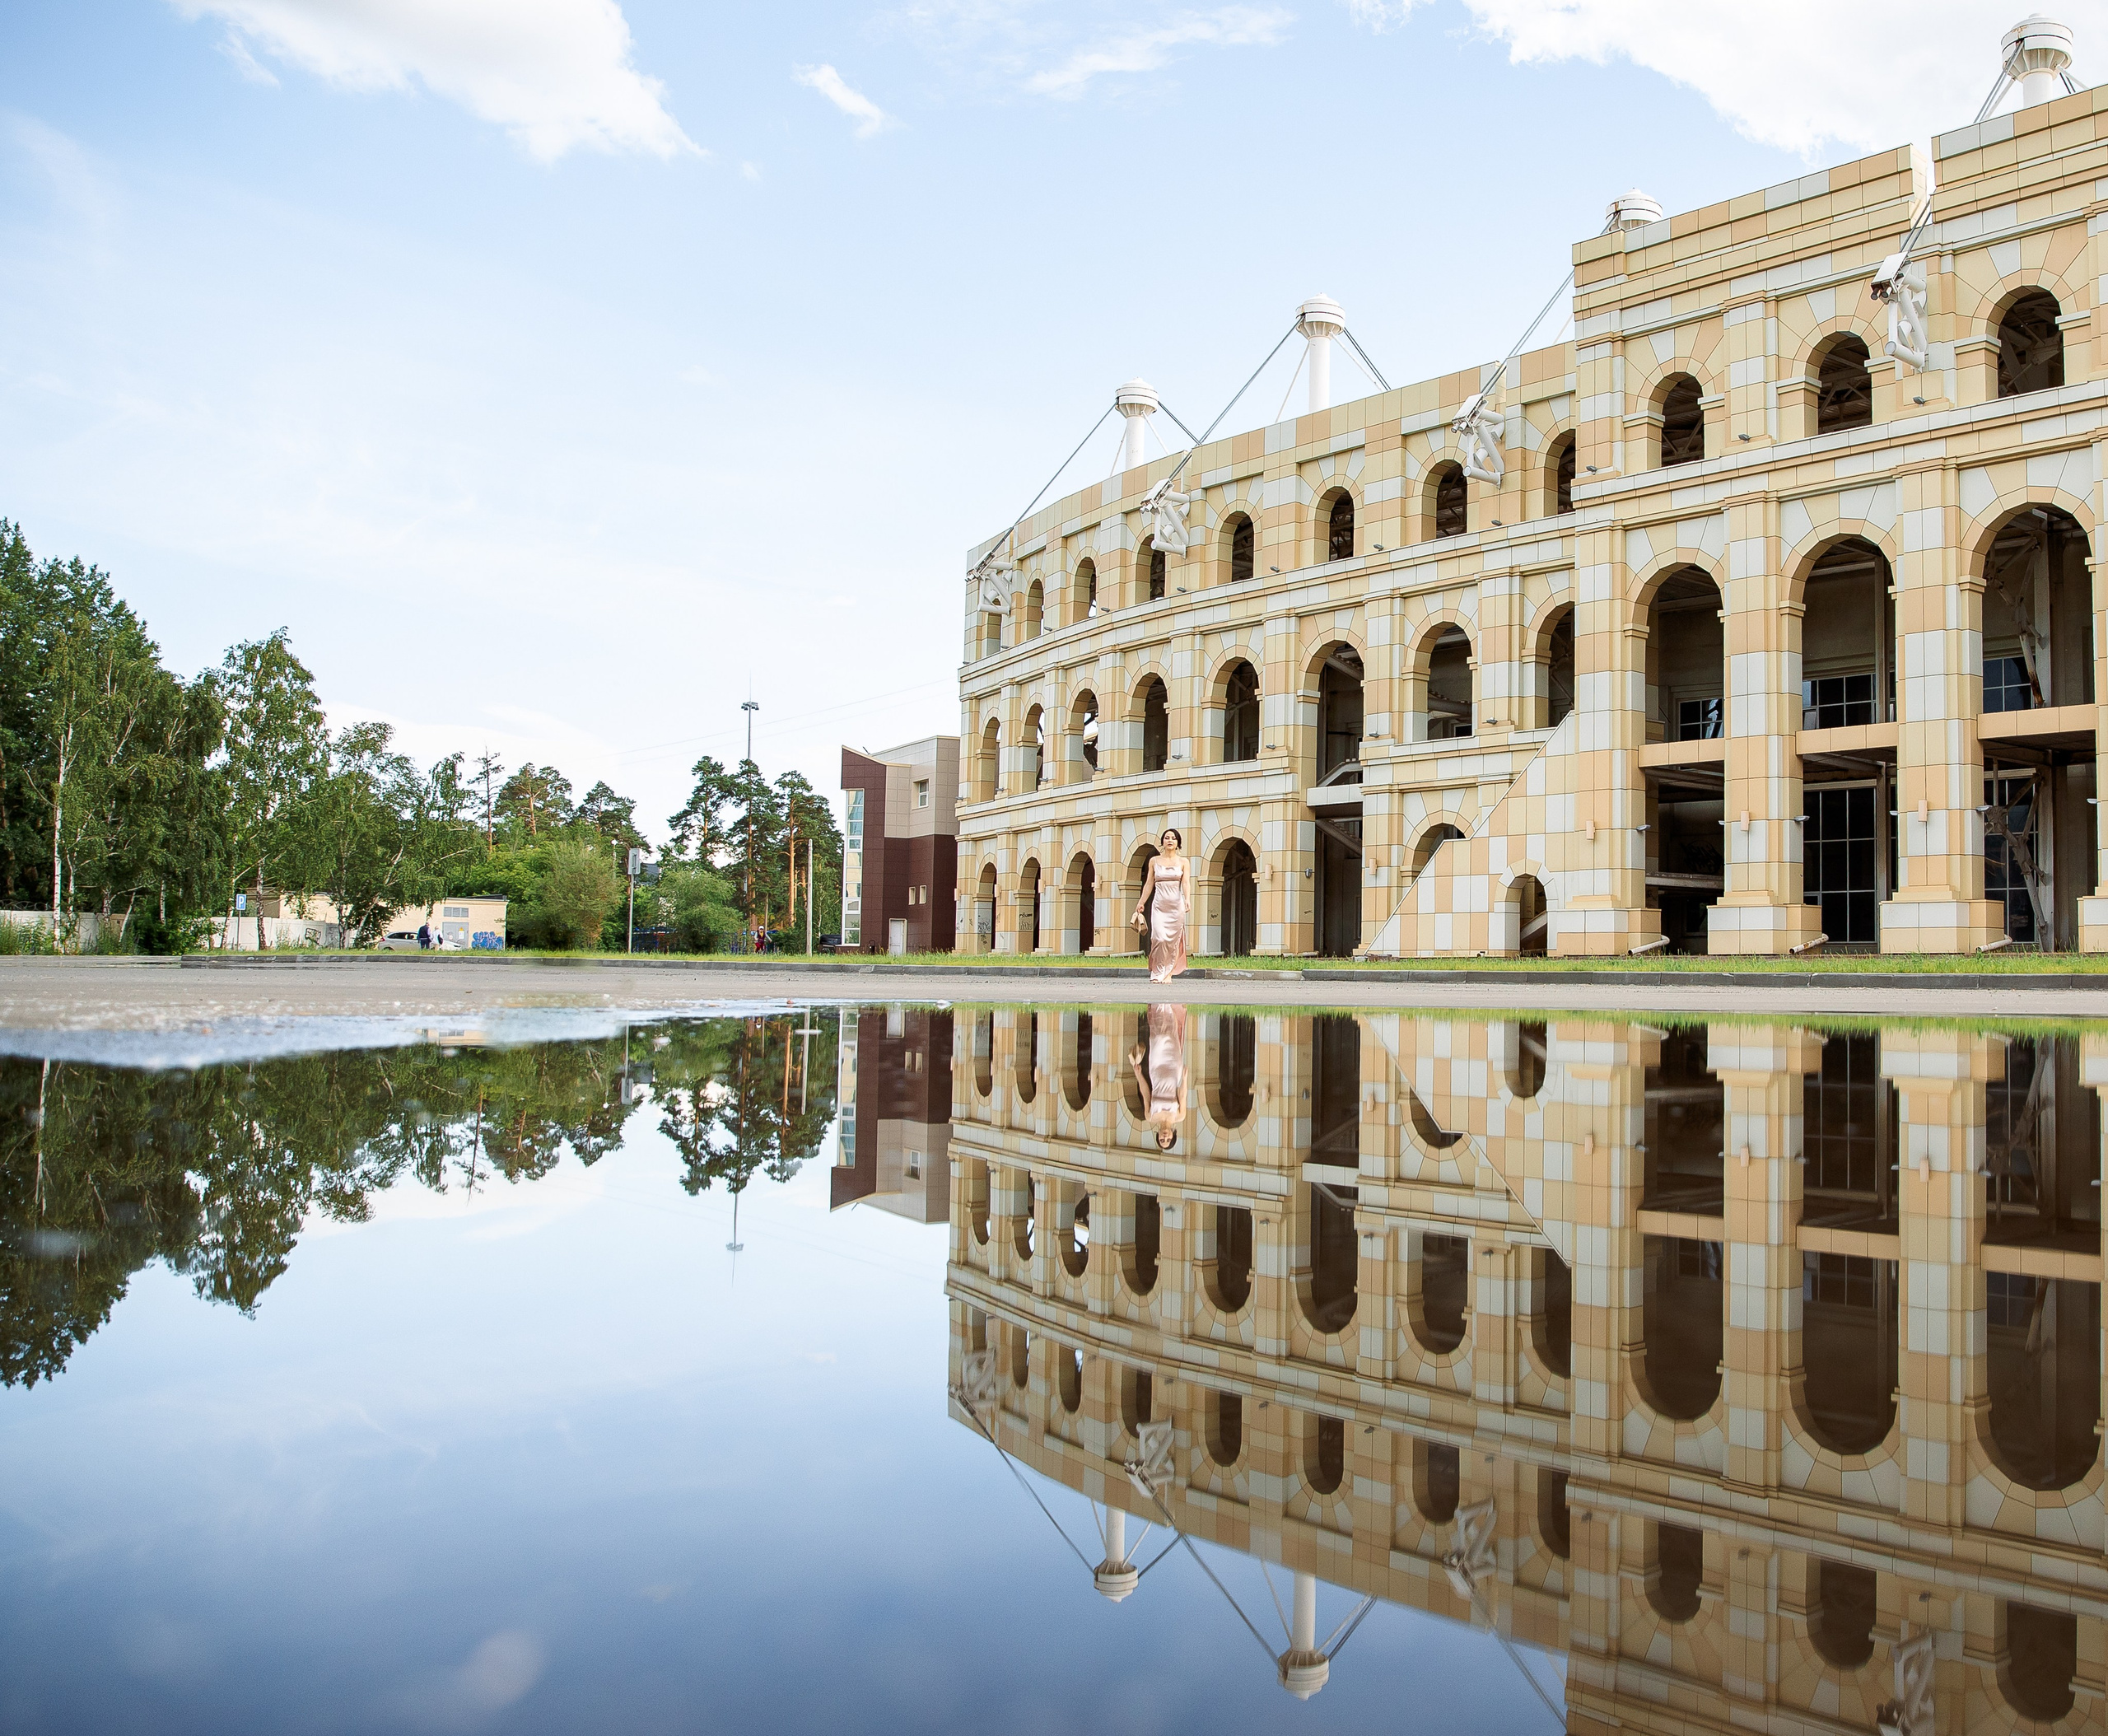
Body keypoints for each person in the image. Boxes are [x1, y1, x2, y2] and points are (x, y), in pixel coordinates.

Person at [1128, 827, 1189, 983]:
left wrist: (1187, 899)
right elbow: (1149, 883)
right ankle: (1157, 971)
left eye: (1173, 838)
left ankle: (1169, 973)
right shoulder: (1154, 861)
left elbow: (1186, 883)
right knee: (1159, 938)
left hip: (1176, 906)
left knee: (1173, 942)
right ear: (1162, 842)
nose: (1170, 840)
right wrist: (1141, 902)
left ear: (1178, 843)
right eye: (1167, 838)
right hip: (1159, 906)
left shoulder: (1184, 862)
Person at [1127, 1003, 1188, 1150]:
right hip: (1174, 1069)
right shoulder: (1179, 1116)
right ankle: (1170, 1005)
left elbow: (1145, 1093)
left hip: (1157, 1069)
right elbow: (1182, 1096)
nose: (1165, 1136)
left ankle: (1159, 1004)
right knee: (1170, 1036)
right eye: (1168, 1139)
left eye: (1162, 1139)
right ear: (1173, 1136)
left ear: (1158, 1135)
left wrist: (1138, 1074)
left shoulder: (1150, 1116)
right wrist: (1185, 1080)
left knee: (1159, 1037)